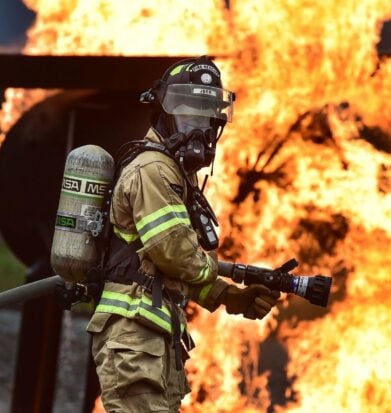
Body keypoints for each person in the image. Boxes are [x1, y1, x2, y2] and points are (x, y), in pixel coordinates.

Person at [86, 56, 280, 412]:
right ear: (163, 113)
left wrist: (227, 296)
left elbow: (170, 270)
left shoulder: (177, 175)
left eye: (206, 116)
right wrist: (222, 274)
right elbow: (174, 252)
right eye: (188, 112)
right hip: (135, 339)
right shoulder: (153, 169)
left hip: (153, 343)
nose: (199, 128)